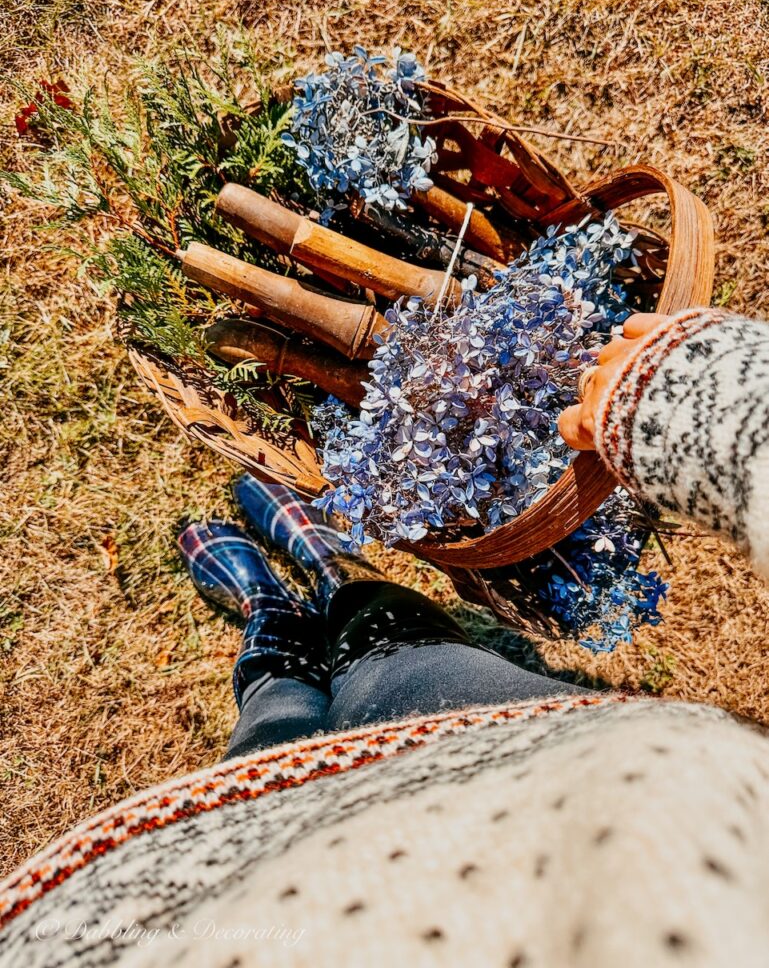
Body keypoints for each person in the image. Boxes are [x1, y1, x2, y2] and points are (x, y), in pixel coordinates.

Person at [1, 306, 769, 968]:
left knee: (277, 718)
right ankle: (334, 568)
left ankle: (269, 612)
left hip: (243, 899)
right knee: (400, 654)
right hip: (568, 785)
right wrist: (695, 395)